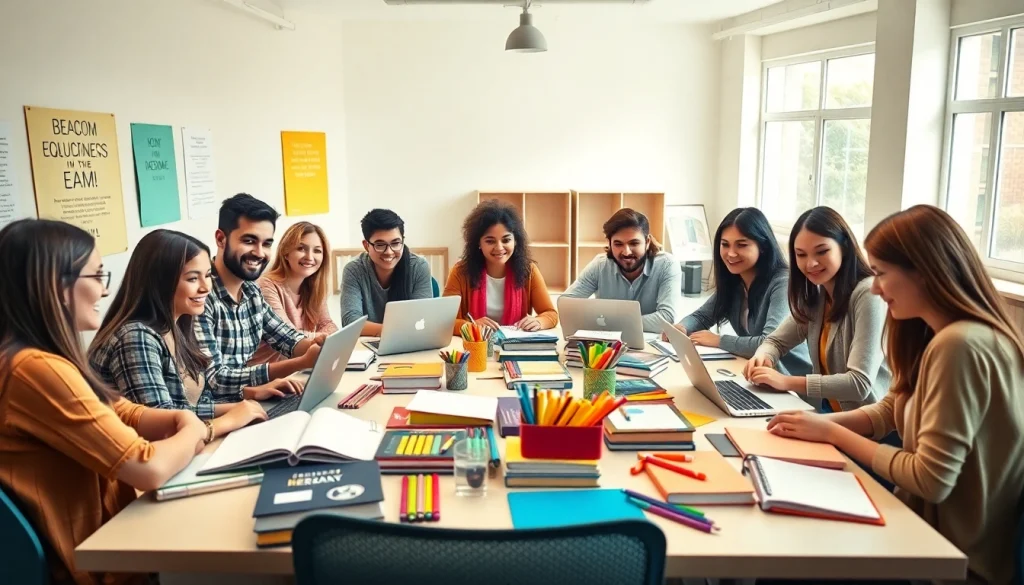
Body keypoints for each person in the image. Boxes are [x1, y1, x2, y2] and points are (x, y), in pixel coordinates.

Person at [767, 205, 1024, 585]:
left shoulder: (960, 346)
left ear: (925, 272)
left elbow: (931, 478)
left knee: (783, 565)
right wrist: (816, 424)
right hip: (924, 536)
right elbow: (891, 408)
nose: (874, 286)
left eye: (882, 273)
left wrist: (833, 433)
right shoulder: (936, 333)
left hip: (949, 559)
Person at [0, 219, 206, 585]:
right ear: (56, 286)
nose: (103, 291)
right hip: (99, 563)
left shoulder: (33, 357)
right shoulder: (34, 369)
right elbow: (148, 469)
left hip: (111, 541)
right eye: (96, 276)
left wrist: (176, 418)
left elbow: (116, 410)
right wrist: (193, 427)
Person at [90, 229, 267, 439]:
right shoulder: (135, 337)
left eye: (208, 275)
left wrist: (243, 402)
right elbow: (163, 424)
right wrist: (229, 418)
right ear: (160, 282)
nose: (206, 288)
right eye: (193, 279)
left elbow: (185, 406)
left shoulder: (178, 324)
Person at [744, 206, 890, 412]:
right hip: (831, 415)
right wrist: (763, 356)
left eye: (822, 251)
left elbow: (859, 384)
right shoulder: (817, 296)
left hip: (872, 427)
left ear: (845, 247)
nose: (810, 263)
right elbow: (775, 341)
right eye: (800, 254)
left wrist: (787, 382)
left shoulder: (868, 293)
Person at [195, 193, 325, 403]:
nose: (259, 253)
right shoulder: (200, 296)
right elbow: (216, 380)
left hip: (246, 404)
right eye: (249, 241)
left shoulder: (251, 292)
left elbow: (288, 339)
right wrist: (301, 363)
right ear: (220, 239)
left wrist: (319, 344)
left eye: (266, 244)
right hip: (214, 415)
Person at [665, 208, 811, 375]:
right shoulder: (735, 281)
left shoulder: (783, 282)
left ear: (762, 246)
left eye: (741, 245)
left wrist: (719, 341)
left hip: (791, 383)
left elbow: (768, 343)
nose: (731, 253)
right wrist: (682, 328)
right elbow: (702, 316)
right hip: (758, 376)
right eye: (725, 244)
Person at [444, 199, 557, 332]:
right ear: (478, 243)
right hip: (474, 347)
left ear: (515, 241)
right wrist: (471, 326)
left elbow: (550, 314)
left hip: (514, 347)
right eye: (490, 241)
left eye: (506, 240)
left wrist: (539, 321)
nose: (499, 248)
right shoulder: (460, 272)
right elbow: (445, 321)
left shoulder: (528, 270)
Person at [561, 208, 681, 332]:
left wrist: (610, 323)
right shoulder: (600, 265)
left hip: (650, 346)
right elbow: (566, 305)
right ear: (610, 243)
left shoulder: (667, 265)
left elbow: (667, 318)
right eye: (618, 244)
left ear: (647, 242)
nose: (626, 252)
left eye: (634, 243)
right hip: (607, 346)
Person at [252, 221, 339, 363]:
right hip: (270, 374)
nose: (309, 257)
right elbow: (289, 336)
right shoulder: (266, 286)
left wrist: (324, 338)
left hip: (299, 368)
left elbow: (328, 324)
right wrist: (323, 339)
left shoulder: (315, 286)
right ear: (286, 252)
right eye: (301, 248)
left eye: (317, 250)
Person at [340, 209, 432, 336]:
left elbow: (423, 318)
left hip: (410, 343)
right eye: (380, 245)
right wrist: (393, 332)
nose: (389, 252)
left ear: (403, 241)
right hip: (368, 347)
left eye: (395, 243)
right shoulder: (354, 271)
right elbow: (350, 322)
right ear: (366, 245)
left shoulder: (418, 267)